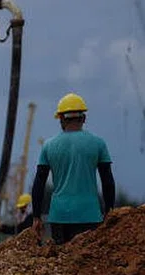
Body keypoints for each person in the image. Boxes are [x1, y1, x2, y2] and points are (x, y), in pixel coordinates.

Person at [30, 93, 115, 245]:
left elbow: (39, 182)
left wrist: (36, 216)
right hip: (90, 215)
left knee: (63, 263)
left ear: (61, 119)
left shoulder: (48, 146)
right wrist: (109, 210)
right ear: (84, 118)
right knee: (87, 263)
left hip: (59, 216)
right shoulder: (98, 144)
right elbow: (107, 181)